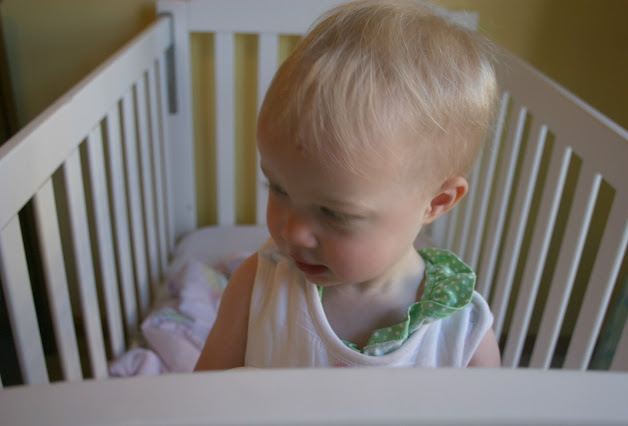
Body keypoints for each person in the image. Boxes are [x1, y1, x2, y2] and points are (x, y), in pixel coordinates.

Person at [195, 0, 501, 369]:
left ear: (436, 202)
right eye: (278, 189)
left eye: (333, 213)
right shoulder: (258, 289)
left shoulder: (462, 332)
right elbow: (206, 393)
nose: (291, 231)